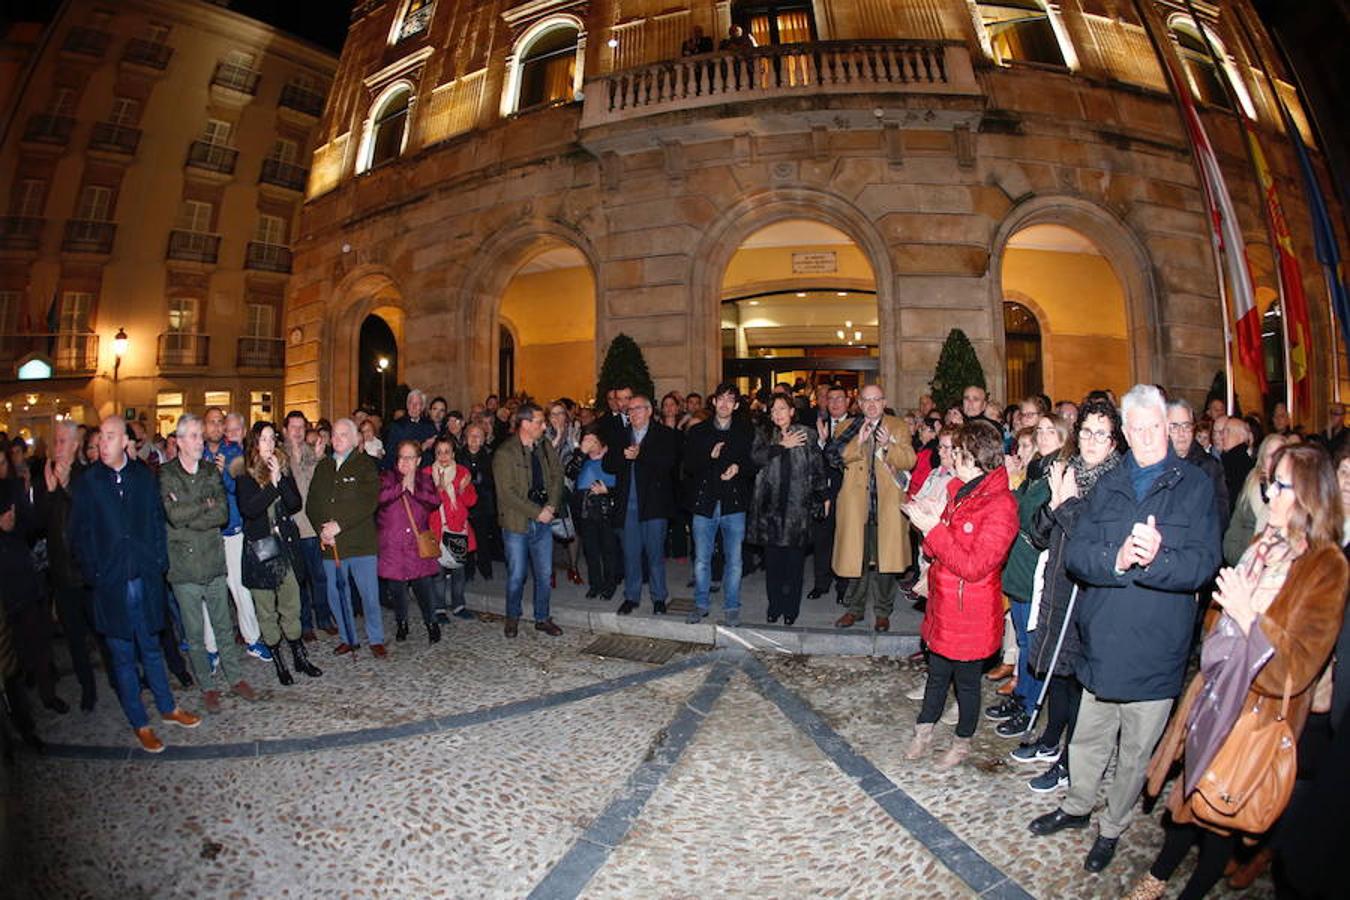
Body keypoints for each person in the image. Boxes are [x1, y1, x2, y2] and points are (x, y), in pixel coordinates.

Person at [1131, 443, 1348, 900]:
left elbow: (1300, 666)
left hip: (1257, 711)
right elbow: (1219, 615)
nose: (1269, 496)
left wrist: (1251, 619)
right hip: (1216, 689)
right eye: (1270, 484)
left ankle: (1192, 891)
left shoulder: (1327, 567)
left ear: (1308, 496)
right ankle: (1156, 877)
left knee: (1223, 805)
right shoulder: (1263, 542)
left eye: (1281, 486)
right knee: (1189, 792)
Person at [1028, 385, 1220, 874]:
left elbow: (1203, 565)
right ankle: (1076, 807)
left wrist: (1159, 558)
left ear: (1171, 429)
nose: (1149, 435)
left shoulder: (1193, 485)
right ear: (1127, 433)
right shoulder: (1111, 485)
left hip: (1157, 648)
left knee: (1134, 753)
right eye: (1138, 427)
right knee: (1088, 738)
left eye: (1157, 426)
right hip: (1103, 639)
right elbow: (1079, 554)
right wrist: (1114, 559)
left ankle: (1111, 828)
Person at [69, 417, 201, 753]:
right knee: (123, 658)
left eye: (111, 436)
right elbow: (79, 536)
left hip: (145, 578)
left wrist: (158, 563)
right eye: (101, 437)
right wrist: (95, 574)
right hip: (111, 585)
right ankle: (140, 723)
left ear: (126, 441)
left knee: (152, 649)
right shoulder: (88, 483)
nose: (103, 443)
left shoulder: (143, 477)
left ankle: (168, 707)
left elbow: (157, 523)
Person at [904, 421, 1019, 768]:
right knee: (936, 673)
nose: (952, 457)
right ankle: (924, 729)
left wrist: (933, 529)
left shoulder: (1001, 505)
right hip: (944, 603)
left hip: (971, 610)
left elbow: (974, 565)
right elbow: (939, 548)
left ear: (977, 458)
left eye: (959, 452)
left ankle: (962, 742)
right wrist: (928, 526)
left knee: (967, 684)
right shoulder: (960, 490)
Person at [159, 414, 259, 712]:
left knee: (223, 626)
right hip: (185, 568)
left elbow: (223, 514)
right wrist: (204, 504)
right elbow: (173, 515)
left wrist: (193, 509)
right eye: (193, 436)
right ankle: (207, 686)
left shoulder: (210, 471)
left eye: (200, 436)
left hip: (213, 560)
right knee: (195, 633)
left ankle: (236, 677)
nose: (200, 441)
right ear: (178, 442)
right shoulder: (166, 474)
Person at [995, 414, 1068, 740]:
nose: (1044, 435)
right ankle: (1022, 695)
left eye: (1051, 430)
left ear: (1065, 436)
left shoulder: (1060, 472)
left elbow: (1035, 520)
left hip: (1036, 566)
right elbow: (1017, 510)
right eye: (1040, 430)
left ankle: (1030, 704)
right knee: (1024, 638)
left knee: (1033, 641)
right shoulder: (1037, 470)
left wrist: (1018, 497)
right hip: (1021, 561)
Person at [236, 422, 323, 683]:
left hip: (285, 549)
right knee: (266, 610)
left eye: (272, 438)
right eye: (264, 439)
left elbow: (295, 504)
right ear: (254, 443)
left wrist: (280, 480)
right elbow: (250, 510)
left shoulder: (281, 469)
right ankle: (278, 660)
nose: (270, 444)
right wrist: (272, 486)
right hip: (260, 553)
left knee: (291, 603)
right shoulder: (244, 475)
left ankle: (299, 656)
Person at [832, 383, 916, 632]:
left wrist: (888, 446)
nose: (871, 404)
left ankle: (882, 612)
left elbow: (910, 460)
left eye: (876, 399)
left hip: (886, 506)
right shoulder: (847, 427)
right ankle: (854, 609)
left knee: (885, 564)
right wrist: (859, 441)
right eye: (866, 400)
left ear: (884, 401)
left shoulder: (898, 426)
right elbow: (836, 457)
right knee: (855, 561)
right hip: (856, 506)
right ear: (859, 403)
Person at [32, 420, 102, 712]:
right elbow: (36, 528)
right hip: (61, 575)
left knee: (102, 631)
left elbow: (92, 517)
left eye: (63, 441)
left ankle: (123, 680)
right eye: (55, 441)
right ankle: (87, 688)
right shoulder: (43, 478)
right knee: (74, 638)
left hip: (87, 572)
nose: (57, 447)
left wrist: (65, 488)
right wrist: (48, 493)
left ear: (75, 445)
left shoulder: (87, 477)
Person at [307, 418, 385, 656]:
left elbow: (369, 501)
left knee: (369, 595)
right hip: (332, 544)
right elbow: (312, 504)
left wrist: (340, 525)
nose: (338, 439)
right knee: (337, 595)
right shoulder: (323, 467)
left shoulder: (365, 465)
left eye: (343, 435)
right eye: (335, 435)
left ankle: (376, 638)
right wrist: (323, 530)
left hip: (360, 543)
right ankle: (348, 637)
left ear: (354, 439)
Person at [748, 394, 824, 626]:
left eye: (782, 409)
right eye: (773, 410)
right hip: (770, 511)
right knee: (773, 567)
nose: (777, 414)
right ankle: (774, 606)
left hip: (797, 512)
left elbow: (817, 470)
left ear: (792, 411)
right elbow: (755, 459)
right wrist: (781, 446)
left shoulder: (806, 434)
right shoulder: (764, 434)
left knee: (794, 567)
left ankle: (791, 608)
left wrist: (820, 500)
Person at [682, 383, 754, 626]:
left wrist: (739, 468)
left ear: (735, 405)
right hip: (705, 504)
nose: (724, 404)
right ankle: (701, 604)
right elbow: (688, 467)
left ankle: (732, 606)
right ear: (713, 402)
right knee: (702, 559)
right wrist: (708, 456)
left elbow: (754, 463)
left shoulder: (745, 431)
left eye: (729, 400)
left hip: (733, 505)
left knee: (734, 560)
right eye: (720, 399)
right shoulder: (698, 431)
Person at [493, 403, 564, 638]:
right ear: (525, 424)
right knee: (517, 574)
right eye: (539, 422)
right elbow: (506, 493)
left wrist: (551, 505)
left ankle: (542, 617)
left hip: (543, 519)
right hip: (516, 523)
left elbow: (557, 475)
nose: (544, 426)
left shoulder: (544, 446)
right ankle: (512, 616)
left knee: (544, 573)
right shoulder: (505, 453)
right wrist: (537, 512)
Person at [605, 393, 679, 616]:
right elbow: (608, 465)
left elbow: (669, 463)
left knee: (655, 554)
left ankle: (659, 598)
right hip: (628, 505)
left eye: (638, 408)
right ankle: (632, 596)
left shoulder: (665, 434)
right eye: (630, 409)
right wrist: (622, 456)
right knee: (630, 553)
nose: (633, 413)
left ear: (649, 411)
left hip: (655, 504)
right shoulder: (621, 435)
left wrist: (641, 455)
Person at [205, 408, 267, 662]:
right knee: (209, 590)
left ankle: (252, 640)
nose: (218, 427)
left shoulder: (234, 453)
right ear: (205, 425)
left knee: (240, 587)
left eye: (222, 423)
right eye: (213, 423)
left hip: (232, 528)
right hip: (205, 532)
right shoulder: (196, 452)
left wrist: (223, 473)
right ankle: (212, 648)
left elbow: (239, 489)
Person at [377, 439, 443, 644]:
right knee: (397, 590)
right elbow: (378, 498)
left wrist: (414, 488)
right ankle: (401, 624)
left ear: (419, 460)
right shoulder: (386, 477)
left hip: (417, 545)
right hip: (393, 546)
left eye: (410, 457)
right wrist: (400, 487)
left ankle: (431, 623)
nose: (405, 462)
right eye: (402, 457)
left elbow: (435, 501)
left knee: (424, 587)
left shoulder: (425, 480)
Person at [283, 411, 336, 639]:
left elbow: (320, 485)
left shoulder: (311, 453)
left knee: (320, 577)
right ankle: (305, 623)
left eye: (300, 427)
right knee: (298, 580)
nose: (297, 431)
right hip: (293, 528)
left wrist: (319, 458)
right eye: (292, 427)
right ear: (285, 430)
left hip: (313, 526)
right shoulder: (279, 456)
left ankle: (323, 618)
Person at [1223, 433, 1297, 566]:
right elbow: (1231, 539)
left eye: (1279, 455)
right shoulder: (1251, 487)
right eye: (1270, 455)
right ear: (1262, 461)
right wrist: (1249, 561)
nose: (1275, 460)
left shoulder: (1292, 494)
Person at [809, 385, 852, 601]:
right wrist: (820, 442)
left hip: (847, 494)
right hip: (822, 493)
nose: (834, 402)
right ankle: (821, 583)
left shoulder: (857, 426)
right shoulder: (818, 426)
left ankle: (843, 588)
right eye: (830, 398)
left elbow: (847, 459)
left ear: (848, 402)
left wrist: (827, 444)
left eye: (839, 398)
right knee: (822, 540)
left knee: (844, 541)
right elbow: (812, 461)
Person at [427, 435, 477, 620]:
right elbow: (425, 503)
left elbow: (472, 501)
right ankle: (439, 608)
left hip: (458, 529)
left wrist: (463, 490)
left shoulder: (462, 473)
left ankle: (459, 605)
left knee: (458, 572)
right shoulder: (427, 474)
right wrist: (438, 489)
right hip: (437, 529)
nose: (443, 456)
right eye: (439, 452)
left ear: (453, 453)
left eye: (447, 452)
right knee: (438, 574)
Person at [569, 427, 620, 600]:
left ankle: (609, 584)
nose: (589, 444)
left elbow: (623, 485)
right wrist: (581, 453)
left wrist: (608, 491)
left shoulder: (611, 460)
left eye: (593, 441)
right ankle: (595, 584)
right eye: (586, 440)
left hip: (605, 508)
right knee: (590, 550)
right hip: (585, 509)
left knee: (608, 549)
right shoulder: (581, 460)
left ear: (603, 446)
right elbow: (569, 473)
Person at [1167, 399, 1228, 525]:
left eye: (1186, 426)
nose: (1181, 433)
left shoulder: (1209, 466)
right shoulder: (1155, 464)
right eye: (1174, 427)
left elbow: (1219, 515)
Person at [545, 401, 584, 586]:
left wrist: (567, 437)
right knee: (550, 530)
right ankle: (549, 571)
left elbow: (577, 456)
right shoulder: (543, 434)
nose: (557, 417)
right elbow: (544, 460)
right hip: (549, 488)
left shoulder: (574, 431)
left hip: (570, 486)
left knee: (573, 529)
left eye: (560, 413)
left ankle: (573, 568)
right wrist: (557, 436)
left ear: (566, 415)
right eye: (553, 414)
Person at [459, 423, 500, 580]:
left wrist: (473, 479)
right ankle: (468, 571)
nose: (474, 439)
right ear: (465, 438)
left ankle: (485, 569)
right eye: (471, 435)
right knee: (466, 538)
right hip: (463, 504)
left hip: (483, 504)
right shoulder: (458, 455)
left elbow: (492, 480)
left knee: (483, 539)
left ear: (483, 439)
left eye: (478, 436)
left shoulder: (490, 456)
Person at [384, 388, 439, 468]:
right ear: (407, 405)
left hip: (425, 470)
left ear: (422, 407)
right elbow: (391, 453)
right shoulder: (397, 425)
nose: (414, 407)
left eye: (417, 404)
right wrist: (422, 447)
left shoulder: (429, 426)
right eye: (411, 403)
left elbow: (436, 453)